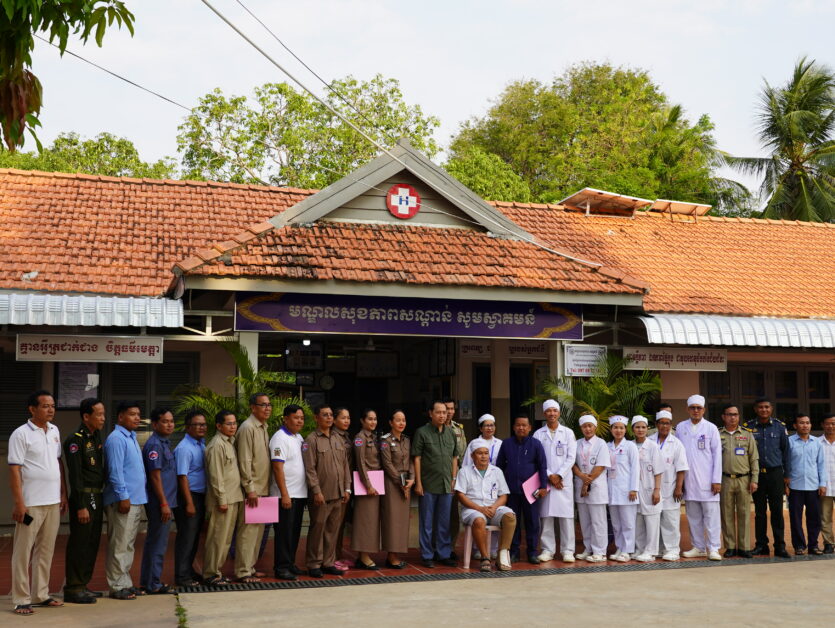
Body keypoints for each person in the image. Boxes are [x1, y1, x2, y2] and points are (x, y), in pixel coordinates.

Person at [9, 390, 67, 616]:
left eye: (52, 405)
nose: (51, 409)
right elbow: (15, 470)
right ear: (32, 409)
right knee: (23, 552)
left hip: (52, 502)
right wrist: (19, 503)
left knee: (46, 550)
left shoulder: (54, 431)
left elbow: (57, 463)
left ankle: (40, 595)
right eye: (45, 406)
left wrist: (62, 494)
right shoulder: (20, 434)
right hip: (31, 503)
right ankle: (21, 599)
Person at [63, 397, 106, 604]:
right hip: (84, 497)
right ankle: (73, 587)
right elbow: (75, 476)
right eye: (99, 414)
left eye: (104, 414)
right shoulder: (75, 439)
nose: (103, 418)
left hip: (97, 495)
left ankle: (83, 583)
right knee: (80, 543)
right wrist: (81, 505)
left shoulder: (95, 436)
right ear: (86, 416)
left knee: (92, 542)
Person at [103, 400, 147, 599]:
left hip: (135, 499)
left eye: (138, 414)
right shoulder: (116, 439)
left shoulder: (131, 437)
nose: (137, 418)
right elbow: (115, 471)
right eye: (132, 414)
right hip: (124, 500)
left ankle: (125, 582)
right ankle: (117, 586)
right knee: (119, 544)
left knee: (127, 544)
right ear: (121, 417)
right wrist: (123, 497)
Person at [303, 404, 352, 577]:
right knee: (318, 529)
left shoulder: (338, 439)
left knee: (332, 530)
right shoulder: (311, 440)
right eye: (325, 415)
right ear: (316, 418)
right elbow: (310, 469)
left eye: (331, 415)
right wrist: (316, 491)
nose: (329, 418)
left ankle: (328, 562)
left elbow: (345, 465)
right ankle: (314, 564)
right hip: (321, 495)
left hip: (339, 493)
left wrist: (347, 488)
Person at [495, 414, 548, 563]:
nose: (521, 428)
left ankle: (532, 552)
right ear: (513, 427)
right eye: (518, 425)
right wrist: (500, 488)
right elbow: (499, 466)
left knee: (532, 522)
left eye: (524, 425)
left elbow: (542, 466)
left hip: (531, 491)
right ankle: (514, 552)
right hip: (511, 490)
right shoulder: (506, 444)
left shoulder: (536, 444)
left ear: (530, 427)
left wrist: (543, 486)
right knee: (513, 522)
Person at [456, 445, 517, 572]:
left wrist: (494, 507)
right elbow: (460, 495)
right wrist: (480, 509)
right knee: (479, 520)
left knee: (510, 517)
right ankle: (485, 557)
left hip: (493, 508)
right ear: (472, 456)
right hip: (473, 509)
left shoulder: (497, 471)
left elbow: (503, 495)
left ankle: (502, 554)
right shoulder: (464, 471)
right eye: (480, 453)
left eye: (486, 453)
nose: (484, 456)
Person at [413, 400, 459, 568]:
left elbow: (454, 457)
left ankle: (443, 553)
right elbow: (417, 458)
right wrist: (418, 482)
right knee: (426, 522)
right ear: (430, 413)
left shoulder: (451, 433)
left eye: (444, 412)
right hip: (428, 484)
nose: (442, 415)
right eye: (438, 412)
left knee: (444, 522)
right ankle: (427, 554)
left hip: (446, 484)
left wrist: (454, 479)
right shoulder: (422, 432)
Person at [677, 394, 722, 561]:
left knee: (712, 518)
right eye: (693, 408)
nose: (696, 410)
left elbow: (717, 455)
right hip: (689, 481)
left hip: (708, 481)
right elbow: (677, 454)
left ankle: (714, 548)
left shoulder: (711, 428)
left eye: (699, 408)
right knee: (693, 517)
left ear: (704, 410)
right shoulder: (681, 427)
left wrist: (716, 480)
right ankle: (698, 547)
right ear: (687, 409)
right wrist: (680, 483)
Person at [744, 397, 791, 558]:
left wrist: (787, 475)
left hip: (775, 474)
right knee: (760, 512)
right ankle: (761, 545)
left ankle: (780, 546)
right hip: (757, 475)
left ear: (771, 409)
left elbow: (786, 452)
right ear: (755, 409)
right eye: (760, 407)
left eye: (766, 407)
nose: (764, 410)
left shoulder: (779, 427)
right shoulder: (748, 427)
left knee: (777, 511)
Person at [534, 399, 577, 563]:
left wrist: (558, 475)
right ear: (544, 413)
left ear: (558, 413)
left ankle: (568, 550)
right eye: (548, 411)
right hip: (546, 481)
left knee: (566, 517)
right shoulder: (538, 434)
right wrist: (550, 476)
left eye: (554, 410)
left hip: (563, 482)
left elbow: (571, 457)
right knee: (546, 516)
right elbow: (537, 459)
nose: (552, 413)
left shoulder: (568, 433)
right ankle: (547, 549)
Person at [235, 393, 272, 582]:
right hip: (253, 490)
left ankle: (250, 567)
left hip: (264, 488)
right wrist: (249, 488)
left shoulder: (264, 427)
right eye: (263, 405)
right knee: (248, 532)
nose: (267, 408)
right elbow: (244, 460)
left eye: (269, 404)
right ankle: (243, 571)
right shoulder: (247, 427)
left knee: (258, 533)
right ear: (252, 407)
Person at [140, 407, 177, 594]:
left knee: (157, 542)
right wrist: (163, 503)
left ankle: (150, 581)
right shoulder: (155, 445)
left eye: (171, 421)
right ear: (155, 424)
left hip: (166, 501)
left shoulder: (164, 443)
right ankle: (153, 583)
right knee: (157, 543)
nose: (170, 425)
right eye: (165, 421)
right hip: (160, 503)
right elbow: (155, 476)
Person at [202, 410, 242, 586]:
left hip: (233, 497)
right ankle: (210, 574)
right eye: (229, 423)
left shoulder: (229, 442)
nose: (233, 426)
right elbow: (216, 476)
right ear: (219, 426)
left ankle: (217, 572)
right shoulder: (217, 445)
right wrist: (221, 500)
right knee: (217, 539)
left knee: (225, 540)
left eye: (234, 423)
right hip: (222, 501)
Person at [270, 404, 307, 580]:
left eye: (302, 418)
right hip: (285, 495)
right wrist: (284, 494)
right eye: (296, 417)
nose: (299, 421)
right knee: (284, 533)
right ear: (285, 419)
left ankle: (290, 563)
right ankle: (281, 567)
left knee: (294, 532)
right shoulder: (279, 438)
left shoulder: (298, 437)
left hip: (299, 494)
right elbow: (277, 468)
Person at [718, 404, 758, 558]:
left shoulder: (747, 434)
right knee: (726, 514)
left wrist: (754, 479)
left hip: (744, 480)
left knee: (744, 513)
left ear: (739, 416)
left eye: (735, 414)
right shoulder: (718, 434)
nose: (733, 417)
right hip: (725, 479)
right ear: (723, 417)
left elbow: (754, 458)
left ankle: (744, 547)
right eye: (729, 414)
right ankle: (730, 546)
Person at [173, 409, 207, 587]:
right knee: (186, 537)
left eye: (204, 424)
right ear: (188, 427)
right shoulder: (184, 448)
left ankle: (189, 570)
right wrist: (189, 503)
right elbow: (182, 477)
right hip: (189, 496)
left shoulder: (200, 444)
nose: (202, 427)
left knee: (193, 537)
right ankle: (182, 576)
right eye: (197, 425)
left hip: (200, 496)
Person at [648, 409, 689, 561]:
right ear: (656, 424)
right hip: (650, 487)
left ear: (671, 425)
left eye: (668, 423)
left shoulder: (676, 443)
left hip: (670, 487)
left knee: (670, 520)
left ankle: (672, 549)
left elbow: (681, 468)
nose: (665, 426)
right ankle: (658, 548)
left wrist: (678, 488)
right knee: (654, 519)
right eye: (662, 423)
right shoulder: (649, 441)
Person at [785, 414, 826, 555]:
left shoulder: (817, 442)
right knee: (795, 518)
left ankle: (813, 545)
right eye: (801, 423)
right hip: (794, 487)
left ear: (811, 425)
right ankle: (799, 546)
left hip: (813, 486)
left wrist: (822, 484)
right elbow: (786, 464)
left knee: (814, 518)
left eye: (807, 423)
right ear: (795, 425)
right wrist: (785, 484)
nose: (805, 425)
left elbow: (821, 465)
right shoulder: (789, 442)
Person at [573, 415, 610, 562]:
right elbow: (572, 463)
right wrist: (582, 477)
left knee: (598, 521)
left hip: (596, 487)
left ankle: (600, 551)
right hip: (580, 484)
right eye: (584, 426)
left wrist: (586, 483)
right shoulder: (577, 443)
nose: (587, 429)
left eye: (590, 426)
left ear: (595, 427)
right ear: (581, 428)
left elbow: (600, 466)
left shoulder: (601, 444)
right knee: (585, 521)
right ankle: (588, 548)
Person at [380, 409, 415, 568]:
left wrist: (411, 479)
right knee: (392, 520)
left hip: (405, 482)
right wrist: (401, 483)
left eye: (404, 420)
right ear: (391, 422)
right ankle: (391, 556)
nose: (402, 423)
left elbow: (411, 461)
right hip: (392, 483)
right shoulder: (385, 441)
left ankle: (396, 554)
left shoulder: (407, 440)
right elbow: (387, 464)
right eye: (398, 420)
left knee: (402, 521)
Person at [352, 408, 383, 569]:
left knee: (371, 520)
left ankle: (363, 555)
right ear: (362, 421)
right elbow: (361, 463)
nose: (373, 422)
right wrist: (368, 485)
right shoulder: (360, 438)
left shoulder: (374, 437)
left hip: (376, 483)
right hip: (366, 485)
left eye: (375, 419)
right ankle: (363, 556)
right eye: (370, 419)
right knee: (365, 520)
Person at [607, 415, 639, 562]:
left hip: (627, 490)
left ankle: (628, 550)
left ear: (625, 430)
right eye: (615, 427)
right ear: (611, 429)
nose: (618, 430)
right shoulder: (607, 446)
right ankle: (620, 547)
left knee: (628, 523)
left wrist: (634, 489)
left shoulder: (630, 446)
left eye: (621, 428)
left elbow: (635, 468)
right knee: (616, 523)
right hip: (612, 490)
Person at [632, 415, 663, 562]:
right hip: (635, 489)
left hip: (650, 488)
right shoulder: (630, 445)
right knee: (638, 520)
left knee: (651, 521)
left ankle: (651, 551)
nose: (640, 430)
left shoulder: (652, 446)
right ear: (632, 429)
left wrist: (657, 490)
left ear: (647, 429)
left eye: (643, 427)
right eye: (637, 427)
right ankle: (640, 549)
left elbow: (658, 470)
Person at [444, 397, 467, 558]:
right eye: (446, 409)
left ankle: (450, 547)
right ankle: (437, 546)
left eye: (452, 409)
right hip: (439, 475)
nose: (449, 412)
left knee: (453, 514)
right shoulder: (433, 429)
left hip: (455, 476)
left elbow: (463, 454)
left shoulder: (458, 429)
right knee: (439, 514)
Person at [332, 406, 353, 569]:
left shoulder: (346, 436)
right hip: (337, 486)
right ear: (334, 420)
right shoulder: (333, 437)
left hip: (347, 484)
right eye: (343, 418)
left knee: (340, 524)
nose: (347, 421)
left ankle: (337, 554)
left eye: (348, 418)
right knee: (333, 525)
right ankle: (331, 557)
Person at [820, 413, 835, 554]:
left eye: (834, 423)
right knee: (825, 517)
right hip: (825, 487)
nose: (831, 426)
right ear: (823, 425)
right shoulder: (816, 443)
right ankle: (829, 543)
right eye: (828, 423)